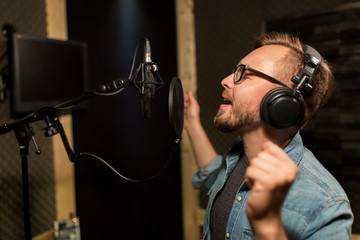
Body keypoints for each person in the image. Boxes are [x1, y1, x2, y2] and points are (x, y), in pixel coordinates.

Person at [183, 32, 353, 239]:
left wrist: (267, 224)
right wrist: (191, 123)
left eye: (244, 74)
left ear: (283, 101)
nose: (226, 81)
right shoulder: (239, 156)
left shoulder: (325, 206)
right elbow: (214, 176)